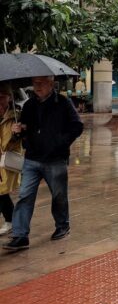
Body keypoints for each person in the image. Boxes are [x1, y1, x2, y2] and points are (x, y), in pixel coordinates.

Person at [3, 76, 84, 251]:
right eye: (34, 83)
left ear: (51, 83)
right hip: (32, 158)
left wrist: (61, 142)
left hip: (55, 159)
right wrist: (18, 131)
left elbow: (77, 126)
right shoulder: (29, 105)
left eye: (40, 83)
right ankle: (20, 235)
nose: (36, 87)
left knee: (58, 195)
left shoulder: (62, 102)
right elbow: (24, 130)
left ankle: (62, 225)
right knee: (24, 196)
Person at [0, 85, 23, 236]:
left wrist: (17, 134)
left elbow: (17, 140)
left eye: (2, 96)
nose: (0, 100)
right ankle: (11, 220)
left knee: (1, 192)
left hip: (7, 159)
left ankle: (11, 221)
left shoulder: (16, 116)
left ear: (9, 97)